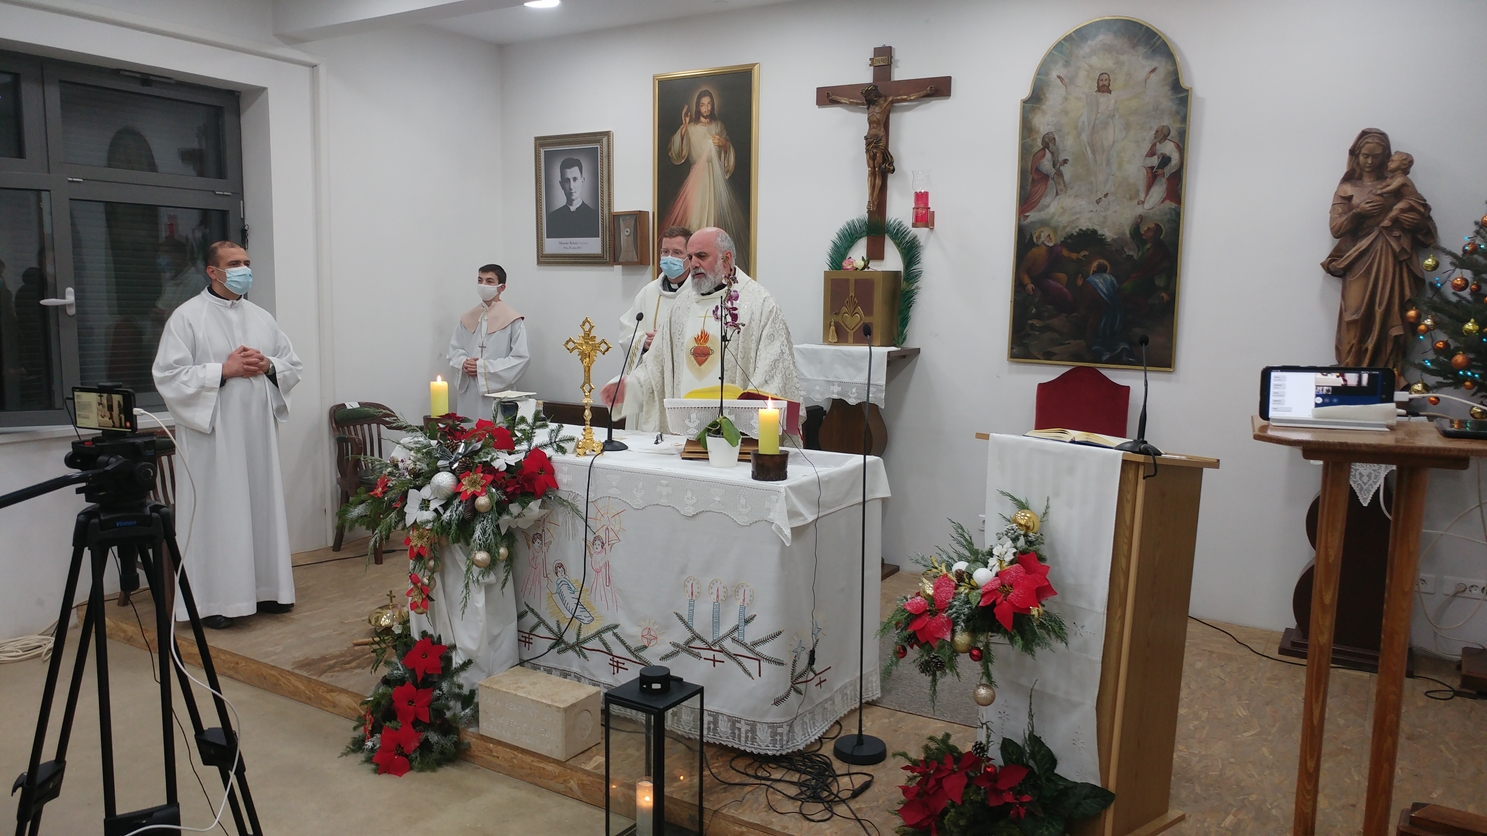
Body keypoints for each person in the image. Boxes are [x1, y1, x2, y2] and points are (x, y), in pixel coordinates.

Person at [152, 241, 303, 629]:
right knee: (220, 515)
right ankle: (214, 601)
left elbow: (292, 363)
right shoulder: (187, 318)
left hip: (257, 436)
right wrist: (223, 370)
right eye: (234, 263)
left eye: (247, 263)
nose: (243, 270)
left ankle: (267, 590)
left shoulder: (261, 317)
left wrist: (268, 364)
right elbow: (168, 376)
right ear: (212, 271)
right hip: (213, 441)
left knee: (260, 507)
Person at [625, 227, 801, 434]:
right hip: (683, 434)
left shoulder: (760, 305)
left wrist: (745, 423)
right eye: (690, 257)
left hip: (736, 436)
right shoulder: (681, 306)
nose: (693, 264)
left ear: (726, 259)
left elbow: (773, 372)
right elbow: (656, 365)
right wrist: (629, 388)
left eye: (701, 256)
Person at [1322, 129, 1437, 369]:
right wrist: (1358, 213)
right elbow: (1336, 228)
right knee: (1354, 314)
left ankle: (1387, 372)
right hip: (1359, 257)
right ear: (1357, 156)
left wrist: (1414, 224)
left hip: (1392, 256)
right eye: (1365, 155)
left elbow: (1425, 226)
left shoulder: (1398, 185)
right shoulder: (1346, 188)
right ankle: (1351, 370)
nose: (1370, 161)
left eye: (1376, 156)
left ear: (1386, 157)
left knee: (1388, 314)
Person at [600, 225, 691, 414]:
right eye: (665, 252)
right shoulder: (648, 292)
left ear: (689, 257)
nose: (669, 258)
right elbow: (627, 331)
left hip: (683, 382)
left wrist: (667, 342)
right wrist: (644, 342)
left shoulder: (698, 294)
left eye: (677, 253)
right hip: (648, 382)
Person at [661, 89, 749, 267]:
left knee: (713, 219)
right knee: (695, 218)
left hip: (714, 179)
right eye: (702, 105)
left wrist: (724, 145)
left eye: (709, 104)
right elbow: (677, 153)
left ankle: (711, 262)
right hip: (697, 178)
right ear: (698, 107)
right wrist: (684, 127)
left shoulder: (718, 126)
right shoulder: (691, 128)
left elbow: (728, 153)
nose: (706, 108)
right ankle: (694, 261)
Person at [1057, 68, 1156, 204]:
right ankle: (1100, 191)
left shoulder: (1113, 95)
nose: (1103, 82)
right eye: (1101, 80)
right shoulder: (1091, 96)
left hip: (1108, 129)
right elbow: (1077, 93)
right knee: (1099, 161)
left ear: (1109, 82)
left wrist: (1144, 80)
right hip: (1095, 129)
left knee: (1105, 159)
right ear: (1098, 82)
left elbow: (1129, 91)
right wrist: (1066, 85)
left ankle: (1100, 192)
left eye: (1106, 80)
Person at [447, 264, 529, 420]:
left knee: (495, 429)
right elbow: (454, 351)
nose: (483, 285)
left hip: (498, 393)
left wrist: (483, 368)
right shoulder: (467, 318)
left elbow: (521, 359)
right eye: (480, 280)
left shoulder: (513, 320)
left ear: (501, 287)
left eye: (489, 281)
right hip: (470, 392)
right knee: (469, 428)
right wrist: (463, 363)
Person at [1017, 227, 1086, 314]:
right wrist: (1028, 283)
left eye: (1050, 236)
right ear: (1041, 239)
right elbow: (1022, 271)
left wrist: (1076, 256)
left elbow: (1066, 253)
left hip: (1045, 277)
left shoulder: (1054, 249)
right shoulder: (1033, 253)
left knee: (1062, 277)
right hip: (1034, 280)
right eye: (1047, 236)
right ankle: (1067, 308)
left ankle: (1059, 306)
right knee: (1058, 290)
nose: (1050, 238)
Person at [545, 157, 601, 239]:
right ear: (561, 185)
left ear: (582, 181)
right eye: (567, 181)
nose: (571, 186)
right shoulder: (553, 218)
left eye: (575, 179)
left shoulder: (595, 217)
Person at [1018, 132, 1069, 220]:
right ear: (1048, 142)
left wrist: (1060, 164)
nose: (1054, 142)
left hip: (1048, 179)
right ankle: (1027, 214)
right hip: (1042, 181)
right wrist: (1053, 173)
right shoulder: (1042, 153)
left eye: (1054, 140)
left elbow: (1052, 166)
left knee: (1049, 198)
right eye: (1052, 140)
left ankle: (1032, 214)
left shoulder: (1050, 153)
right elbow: (1044, 166)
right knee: (1044, 199)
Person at [1137, 125, 1183, 209]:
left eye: (1157, 131)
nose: (1154, 134)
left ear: (1164, 133)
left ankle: (1150, 201)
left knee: (1147, 206)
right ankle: (1141, 197)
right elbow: (1145, 161)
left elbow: (1176, 163)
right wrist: (1157, 158)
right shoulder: (1155, 146)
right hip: (1154, 174)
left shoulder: (1172, 145)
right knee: (1141, 170)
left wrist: (1164, 171)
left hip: (1167, 177)